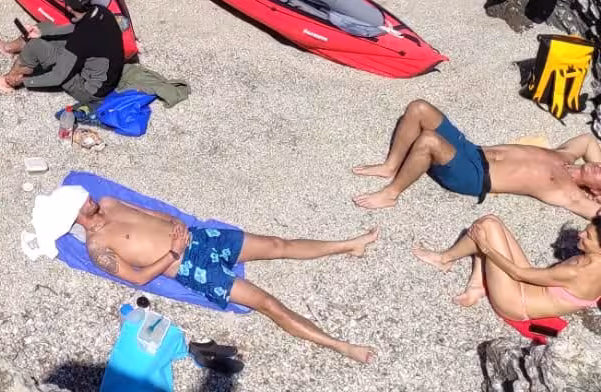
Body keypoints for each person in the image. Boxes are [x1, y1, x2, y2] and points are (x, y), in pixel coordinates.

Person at [64, 186, 377, 363]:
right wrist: (173, 251)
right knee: (267, 303)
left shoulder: (109, 202)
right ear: (75, 216)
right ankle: (341, 346)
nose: (90, 198)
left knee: (277, 244)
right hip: (190, 267)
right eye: (83, 202)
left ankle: (349, 245)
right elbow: (137, 278)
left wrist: (174, 222)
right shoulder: (97, 247)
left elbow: (150, 212)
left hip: (199, 237)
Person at [352, 99, 601, 215]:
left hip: (474, 177)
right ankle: (391, 166)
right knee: (419, 108)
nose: (599, 168)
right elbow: (589, 141)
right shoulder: (567, 154)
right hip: (473, 150)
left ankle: (391, 194)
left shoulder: (571, 194)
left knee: (428, 140)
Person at [413, 214, 601, 322]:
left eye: (588, 236)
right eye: (586, 229)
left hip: (515, 302)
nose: (580, 234)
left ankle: (444, 259)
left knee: (485, 230)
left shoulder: (577, 271)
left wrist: (485, 245)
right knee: (491, 222)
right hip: (528, 285)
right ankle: (477, 284)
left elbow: (516, 273)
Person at [0, 0, 125, 98]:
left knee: (34, 46)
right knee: (45, 27)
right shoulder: (101, 11)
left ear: (69, 7)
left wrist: (25, 81)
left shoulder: (79, 42)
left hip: (89, 89)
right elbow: (76, 27)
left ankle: (7, 81)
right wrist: (42, 33)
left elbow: (58, 76)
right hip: (100, 66)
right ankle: (9, 48)